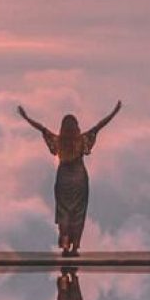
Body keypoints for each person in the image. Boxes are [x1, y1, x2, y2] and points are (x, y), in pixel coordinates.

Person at [17, 102, 122, 256]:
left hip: (63, 179)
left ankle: (65, 246)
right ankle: (74, 248)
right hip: (79, 179)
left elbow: (40, 128)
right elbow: (100, 125)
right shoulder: (82, 139)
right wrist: (114, 113)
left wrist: (26, 118)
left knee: (64, 213)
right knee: (78, 214)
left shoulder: (58, 141)